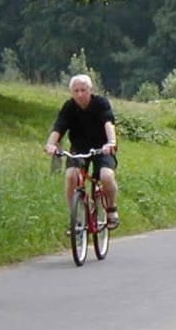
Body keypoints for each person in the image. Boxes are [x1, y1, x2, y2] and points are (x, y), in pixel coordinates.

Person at [44, 74, 120, 229]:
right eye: (76, 90)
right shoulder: (69, 107)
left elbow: (108, 123)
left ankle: (111, 209)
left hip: (102, 148)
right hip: (79, 148)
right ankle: (76, 215)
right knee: (71, 176)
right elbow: (59, 127)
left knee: (106, 176)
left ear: (90, 90)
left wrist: (111, 142)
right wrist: (50, 144)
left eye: (83, 90)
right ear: (71, 92)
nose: (80, 94)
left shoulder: (100, 103)